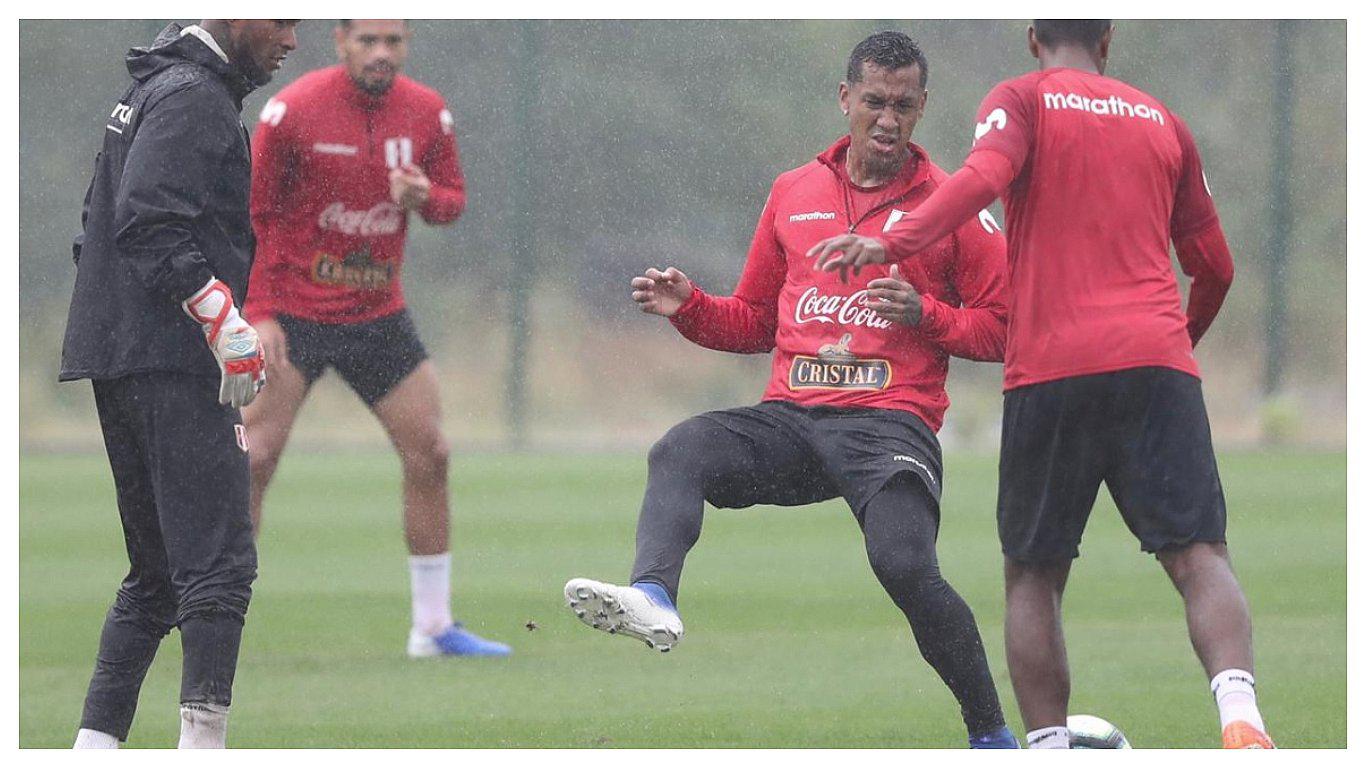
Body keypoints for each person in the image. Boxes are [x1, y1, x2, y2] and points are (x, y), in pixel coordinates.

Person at [808, 20, 1269, 749]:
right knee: (1199, 555)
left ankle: (1049, 748)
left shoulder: (1020, 100)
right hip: (1157, 363)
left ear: (1032, 38)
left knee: (1034, 575)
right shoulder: (1164, 122)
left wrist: (890, 239)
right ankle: (1241, 716)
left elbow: (981, 180)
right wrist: (1174, 345)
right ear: (1106, 39)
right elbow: (1216, 266)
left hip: (1052, 369)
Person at [564, 31, 1017, 749]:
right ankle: (653, 595)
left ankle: (992, 738)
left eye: (903, 106)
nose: (888, 120)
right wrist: (690, 307)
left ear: (923, 107)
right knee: (681, 449)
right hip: (793, 423)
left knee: (904, 564)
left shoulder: (954, 205)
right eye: (874, 101)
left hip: (889, 427)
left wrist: (926, 315)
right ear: (845, 98)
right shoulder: (793, 191)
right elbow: (754, 322)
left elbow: (1004, 329)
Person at [60, 20, 299, 749]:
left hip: (121, 352)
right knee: (220, 566)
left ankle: (92, 749)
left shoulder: (155, 83)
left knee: (157, 575)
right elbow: (147, 220)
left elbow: (98, 221)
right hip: (170, 361)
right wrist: (220, 317)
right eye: (282, 18)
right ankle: (202, 748)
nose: (292, 38)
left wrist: (127, 316)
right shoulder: (194, 95)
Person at [242, 19, 509, 658]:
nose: (382, 53)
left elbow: (452, 203)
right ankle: (216, 620)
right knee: (252, 461)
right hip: (293, 314)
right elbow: (253, 212)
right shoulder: (292, 110)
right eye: (368, 40)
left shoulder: (428, 111)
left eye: (394, 41)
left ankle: (433, 628)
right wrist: (259, 310)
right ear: (340, 41)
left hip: (376, 315)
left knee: (431, 453)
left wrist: (425, 196)